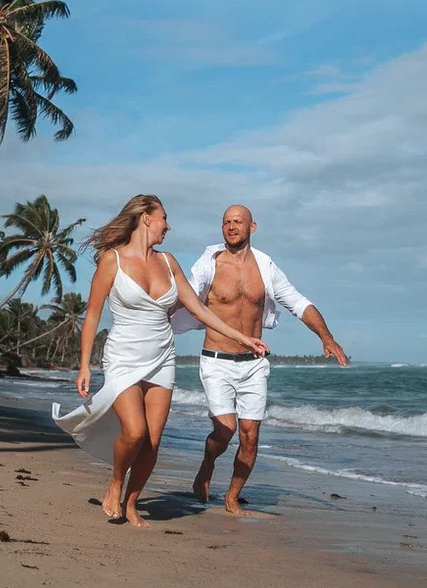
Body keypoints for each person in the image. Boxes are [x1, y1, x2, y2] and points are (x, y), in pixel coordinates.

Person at [52, 195, 268, 528]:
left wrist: (242, 338)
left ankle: (132, 503)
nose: (168, 225)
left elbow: (199, 309)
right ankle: (115, 482)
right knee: (135, 433)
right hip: (124, 357)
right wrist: (84, 364)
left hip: (162, 358)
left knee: (153, 440)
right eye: (164, 218)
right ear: (146, 218)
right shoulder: (113, 260)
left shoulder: (168, 262)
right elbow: (93, 313)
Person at [171, 204, 347, 516]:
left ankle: (232, 497)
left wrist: (326, 336)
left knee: (250, 436)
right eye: (226, 221)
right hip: (216, 360)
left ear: (252, 227)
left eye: (238, 221)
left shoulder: (264, 266)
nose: (231, 226)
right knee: (224, 431)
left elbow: (297, 301)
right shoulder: (210, 264)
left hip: (253, 364)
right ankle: (208, 463)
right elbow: (184, 295)